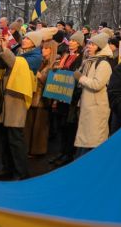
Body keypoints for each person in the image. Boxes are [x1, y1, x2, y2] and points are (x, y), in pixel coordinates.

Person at [0, 30, 43, 180]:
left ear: (35, 43)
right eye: (24, 38)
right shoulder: (18, 51)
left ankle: (21, 173)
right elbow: (1, 64)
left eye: (28, 38)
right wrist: (1, 49)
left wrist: (6, 49)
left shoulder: (35, 57)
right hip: (6, 95)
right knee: (4, 138)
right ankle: (6, 169)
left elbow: (14, 63)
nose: (24, 40)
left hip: (17, 98)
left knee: (15, 138)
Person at [74, 34, 114, 157]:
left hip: (97, 108)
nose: (89, 46)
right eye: (89, 43)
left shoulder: (104, 64)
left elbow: (97, 84)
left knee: (94, 142)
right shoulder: (90, 60)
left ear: (99, 46)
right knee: (86, 140)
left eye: (92, 44)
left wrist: (81, 78)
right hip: (89, 106)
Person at [49, 31, 84, 166]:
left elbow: (75, 74)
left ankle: (68, 154)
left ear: (79, 43)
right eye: (71, 40)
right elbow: (58, 68)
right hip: (61, 93)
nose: (71, 43)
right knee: (62, 124)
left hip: (71, 95)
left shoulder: (80, 57)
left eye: (74, 41)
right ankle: (61, 152)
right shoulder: (65, 54)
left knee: (70, 126)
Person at [25, 38, 58, 157]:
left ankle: (38, 150)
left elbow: (53, 83)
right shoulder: (41, 61)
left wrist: (40, 77)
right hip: (33, 95)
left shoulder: (55, 64)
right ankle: (27, 148)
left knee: (40, 126)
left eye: (46, 48)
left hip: (43, 99)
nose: (43, 50)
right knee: (29, 124)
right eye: (42, 48)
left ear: (51, 50)